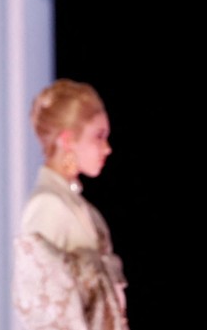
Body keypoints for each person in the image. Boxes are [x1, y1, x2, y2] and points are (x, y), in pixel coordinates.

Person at [12, 79, 129, 330]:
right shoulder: (47, 206)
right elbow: (44, 313)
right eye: (98, 136)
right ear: (68, 140)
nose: (106, 148)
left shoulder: (83, 210)